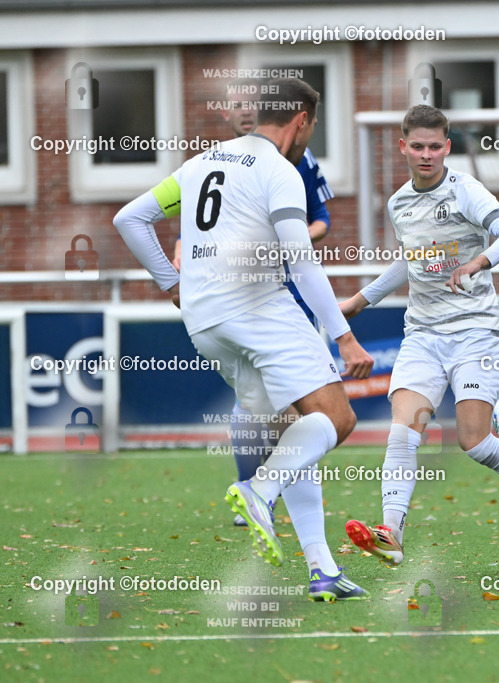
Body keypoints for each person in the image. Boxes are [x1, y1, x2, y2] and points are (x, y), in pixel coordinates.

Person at [113, 78, 374, 601]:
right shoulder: (280, 172)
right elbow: (301, 262)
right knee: (336, 419)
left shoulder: (202, 161)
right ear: (301, 119)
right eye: (313, 125)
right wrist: (345, 338)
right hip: (260, 310)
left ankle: (323, 570)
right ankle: (259, 488)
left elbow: (129, 218)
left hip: (206, 322)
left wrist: (172, 283)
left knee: (293, 431)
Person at [339, 105, 499, 567]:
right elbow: (410, 261)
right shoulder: (399, 202)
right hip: (423, 333)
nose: (427, 155)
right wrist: (358, 302)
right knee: (404, 430)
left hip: (474, 333)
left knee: (475, 441)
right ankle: (391, 531)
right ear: (403, 147)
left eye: (435, 147)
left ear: (446, 147)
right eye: (418, 147)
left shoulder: (464, 190)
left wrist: (479, 262)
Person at [171, 79, 335, 526]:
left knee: (292, 413)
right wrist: (184, 247)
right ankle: (258, 490)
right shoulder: (221, 160)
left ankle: (312, 553)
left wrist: (281, 242)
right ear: (226, 116)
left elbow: (319, 223)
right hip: (252, 302)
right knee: (305, 415)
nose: (245, 115)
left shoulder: (295, 161)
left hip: (284, 294)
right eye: (237, 109)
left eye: (252, 107)